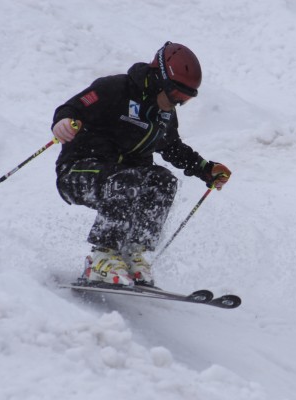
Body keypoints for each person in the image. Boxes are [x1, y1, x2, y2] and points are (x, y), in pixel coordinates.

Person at [51, 41, 231, 287]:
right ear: (160, 79)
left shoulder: (165, 113)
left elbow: (172, 147)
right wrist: (64, 122)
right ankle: (102, 258)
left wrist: (206, 169)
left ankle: (133, 254)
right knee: (126, 179)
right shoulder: (115, 89)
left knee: (163, 181)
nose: (178, 103)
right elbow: (72, 108)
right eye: (177, 94)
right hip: (80, 171)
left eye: (186, 98)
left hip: (125, 178)